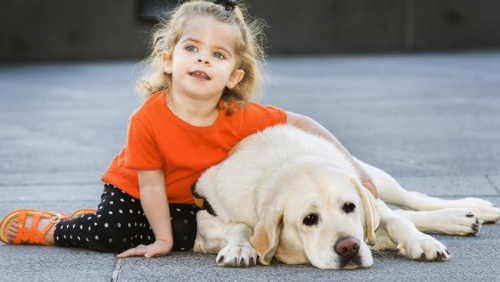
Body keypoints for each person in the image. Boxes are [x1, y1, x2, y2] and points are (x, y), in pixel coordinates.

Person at [0, 0, 377, 258]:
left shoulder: (237, 114)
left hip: (186, 200)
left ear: (234, 75)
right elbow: (149, 184)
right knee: (114, 234)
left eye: (218, 55)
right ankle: (54, 227)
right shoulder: (147, 119)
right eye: (192, 48)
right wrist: (160, 238)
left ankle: (133, 226)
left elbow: (305, 123)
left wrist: (355, 172)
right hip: (133, 190)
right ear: (168, 60)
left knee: (193, 235)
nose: (202, 58)